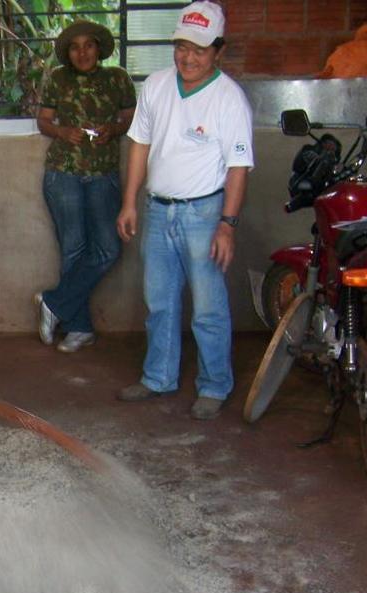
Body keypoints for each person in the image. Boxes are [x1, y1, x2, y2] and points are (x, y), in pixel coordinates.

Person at [114, 0, 252, 420]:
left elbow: (238, 166)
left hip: (204, 214)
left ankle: (213, 385)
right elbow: (139, 144)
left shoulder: (230, 99)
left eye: (199, 49)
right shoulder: (155, 86)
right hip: (159, 209)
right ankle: (158, 377)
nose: (188, 57)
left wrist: (227, 226)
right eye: (181, 46)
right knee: (159, 301)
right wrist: (130, 202)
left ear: (218, 51)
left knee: (208, 307)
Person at [35, 19, 136, 353]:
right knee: (74, 249)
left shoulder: (117, 78)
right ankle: (79, 329)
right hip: (63, 173)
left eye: (88, 45)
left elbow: (132, 117)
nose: (82, 52)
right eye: (75, 47)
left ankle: (54, 302)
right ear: (68, 52)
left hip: (103, 174)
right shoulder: (57, 78)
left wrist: (113, 129)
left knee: (108, 248)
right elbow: (44, 120)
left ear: (99, 48)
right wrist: (62, 132)